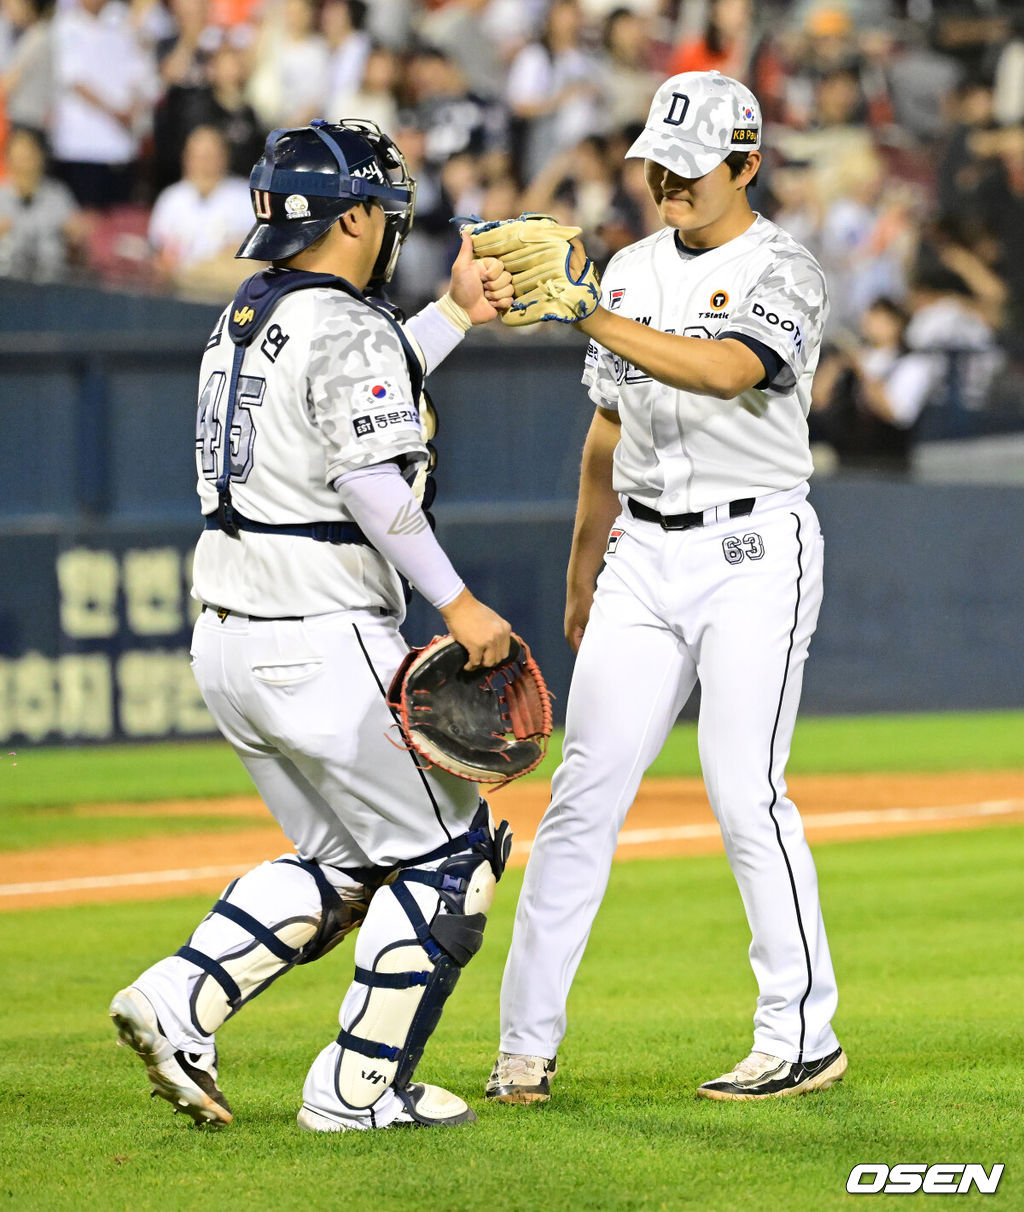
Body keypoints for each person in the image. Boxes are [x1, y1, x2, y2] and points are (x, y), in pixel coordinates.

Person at [110, 117, 519, 1132]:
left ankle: (179, 998)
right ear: (350, 219)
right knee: (450, 858)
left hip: (230, 637)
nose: (391, 226)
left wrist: (453, 316)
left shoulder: (252, 312)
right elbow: (367, 474)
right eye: (383, 209)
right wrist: (458, 602)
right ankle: (356, 1090)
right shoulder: (342, 323)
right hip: (321, 628)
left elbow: (351, 395)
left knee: (345, 861)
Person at [485, 70, 847, 1105]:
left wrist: (587, 314)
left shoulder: (783, 267)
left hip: (752, 550)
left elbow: (731, 370)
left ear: (746, 163)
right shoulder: (631, 271)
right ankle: (524, 1047)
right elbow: (606, 435)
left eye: (691, 167)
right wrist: (581, 569)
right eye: (658, 163)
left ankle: (799, 1034)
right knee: (581, 798)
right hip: (642, 552)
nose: (669, 183)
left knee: (743, 791)